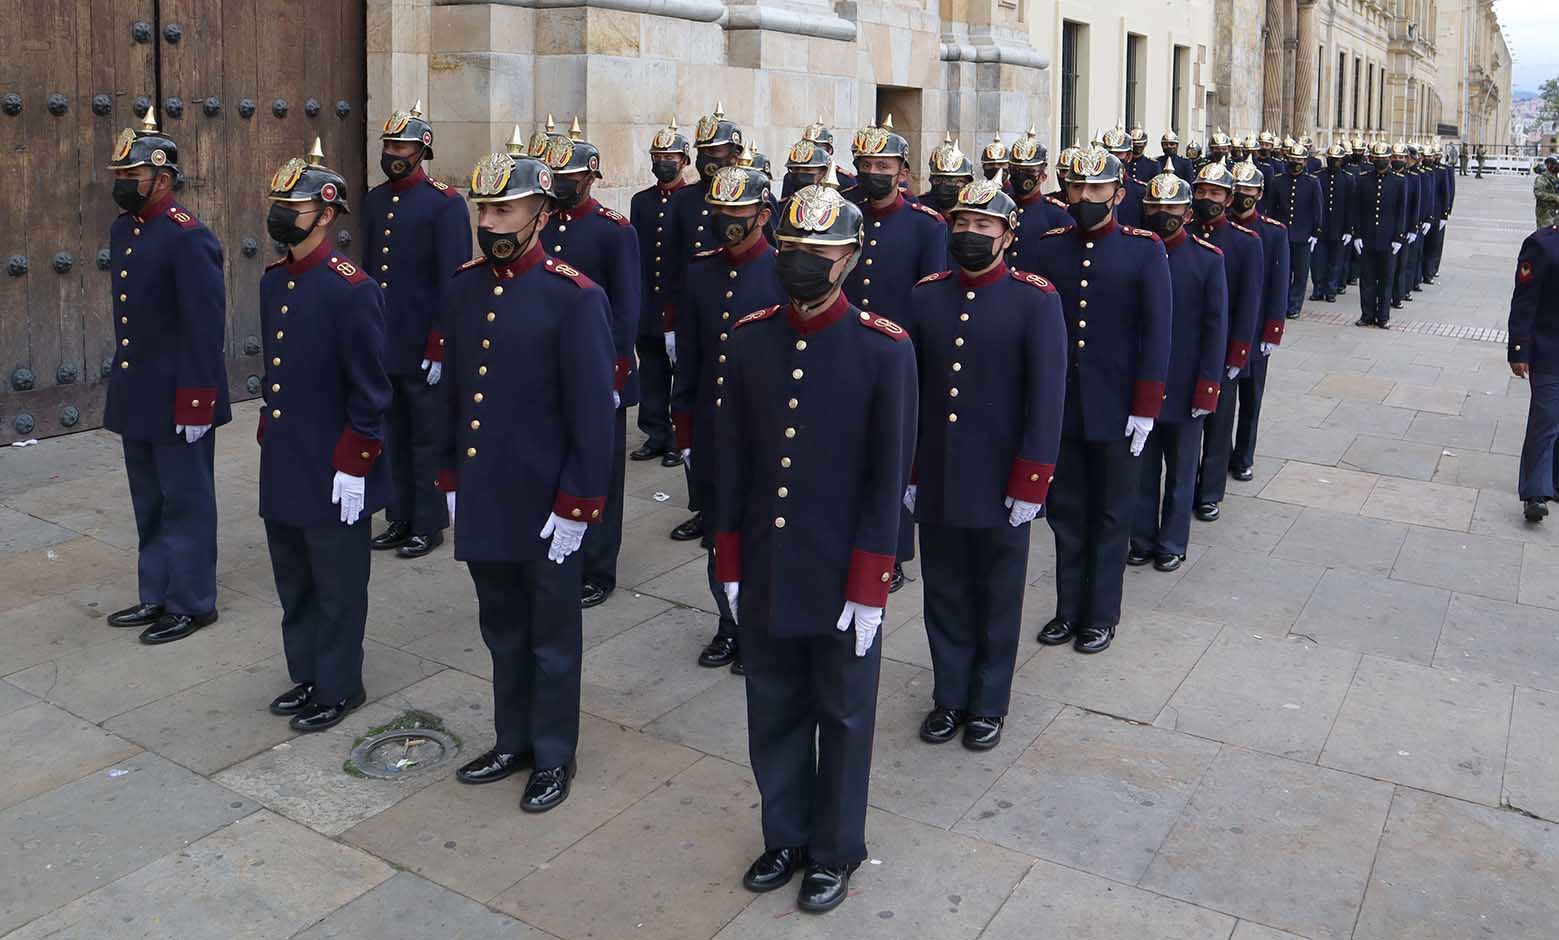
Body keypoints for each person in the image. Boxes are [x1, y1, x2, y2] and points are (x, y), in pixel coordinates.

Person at [716, 178, 916, 914]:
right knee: (771, 706)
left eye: (819, 251)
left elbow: (885, 475)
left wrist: (871, 579)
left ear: (851, 260)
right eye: (793, 247)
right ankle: (785, 835)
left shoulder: (882, 350)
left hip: (840, 570)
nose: (801, 261)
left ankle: (833, 849)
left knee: (842, 712)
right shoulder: (750, 338)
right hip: (768, 564)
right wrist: (728, 559)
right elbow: (730, 461)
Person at [437, 142, 616, 812]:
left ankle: (552, 754)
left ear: (540, 212)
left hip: (546, 502)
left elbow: (593, 415)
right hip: (487, 496)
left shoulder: (573, 297)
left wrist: (577, 505)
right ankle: (511, 740)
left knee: (551, 638)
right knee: (502, 628)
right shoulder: (464, 288)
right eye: (484, 208)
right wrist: (449, 477)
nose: (491, 222)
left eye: (505, 208)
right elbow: (453, 394)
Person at [903, 173, 1066, 749]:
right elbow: (913, 393)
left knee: (998, 592)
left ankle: (989, 701)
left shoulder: (1035, 299)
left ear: (1007, 234)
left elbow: (1046, 399)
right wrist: (913, 471)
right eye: (963, 223)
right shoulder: (926, 295)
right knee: (943, 588)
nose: (971, 233)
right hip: (942, 473)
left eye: (984, 225)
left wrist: (1032, 480)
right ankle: (949, 693)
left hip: (1002, 478)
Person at [258, 139, 392, 732]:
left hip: (335, 461)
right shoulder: (273, 281)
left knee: (337, 583)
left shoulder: (351, 288)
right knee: (294, 576)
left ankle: (340, 685)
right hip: (287, 454)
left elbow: (371, 389)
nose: (283, 213)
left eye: (296, 205)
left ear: (328, 213)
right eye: (278, 202)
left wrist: (356, 462)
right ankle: (307, 672)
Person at [1031, 146, 1171, 654]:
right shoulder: (1047, 248)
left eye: (1096, 189)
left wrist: (1146, 406)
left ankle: (1101, 614)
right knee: (1067, 511)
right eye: (1077, 188)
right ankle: (1068, 609)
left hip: (1118, 406)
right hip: (1064, 404)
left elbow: (1157, 333)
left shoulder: (1144, 248)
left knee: (1113, 513)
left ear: (1118, 192)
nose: (1085, 197)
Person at [102, 110, 230, 646]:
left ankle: (192, 601)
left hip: (182, 393)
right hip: (140, 391)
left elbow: (204, 327)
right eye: (121, 175)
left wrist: (198, 400)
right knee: (148, 500)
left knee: (186, 500)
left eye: (133, 177)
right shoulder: (124, 229)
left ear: (163, 178)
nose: (123, 185)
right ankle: (155, 591)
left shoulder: (189, 238)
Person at [670, 154, 782, 673]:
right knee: (720, 532)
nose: (724, 218)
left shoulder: (785, 270)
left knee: (766, 532)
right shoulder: (702, 270)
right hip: (716, 431)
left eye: (736, 209)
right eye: (718, 208)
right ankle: (728, 621)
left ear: (762, 213)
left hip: (770, 431)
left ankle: (763, 625)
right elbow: (690, 358)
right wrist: (686, 429)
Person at [539, 119, 643, 609]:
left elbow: (626, 308)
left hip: (600, 368)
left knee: (601, 470)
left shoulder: (613, 231)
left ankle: (599, 566)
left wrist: (618, 372)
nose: (561, 182)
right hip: (548, 367)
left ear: (589, 177)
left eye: (570, 175)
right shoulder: (542, 224)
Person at [845, 115, 948, 591]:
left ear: (903, 171)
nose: (874, 172)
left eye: (883, 163)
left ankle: (895, 548)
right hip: (844, 349)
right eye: (866, 163)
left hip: (898, 353)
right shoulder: (843, 211)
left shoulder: (926, 226)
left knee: (894, 454)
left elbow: (931, 297)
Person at [366, 101, 471, 561]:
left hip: (424, 341)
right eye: (388, 143)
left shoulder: (444, 204)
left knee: (425, 433)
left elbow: (454, 277)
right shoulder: (375, 199)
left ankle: (428, 522)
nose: (392, 152)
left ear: (422, 150)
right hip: (385, 338)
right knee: (390, 429)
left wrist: (440, 340)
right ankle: (398, 514)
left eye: (401, 145)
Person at [662, 104, 749, 544]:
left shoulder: (756, 194)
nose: (709, 158)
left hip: (743, 319)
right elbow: (674, 270)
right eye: (703, 150)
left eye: (718, 150)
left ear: (736, 153)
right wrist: (672, 326)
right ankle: (701, 506)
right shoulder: (682, 201)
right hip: (698, 315)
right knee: (695, 413)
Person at [1130, 174, 1227, 570]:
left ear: (1188, 214)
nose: (1161, 215)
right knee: (1142, 469)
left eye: (1171, 209)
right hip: (1141, 383)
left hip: (1186, 382)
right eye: (1154, 208)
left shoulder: (1207, 259)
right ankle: (1141, 538)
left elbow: (1214, 327)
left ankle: (1172, 541)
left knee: (1182, 469)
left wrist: (1208, 388)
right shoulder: (1135, 254)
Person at [1186, 160, 1263, 525]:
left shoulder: (1244, 242)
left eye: (1215, 193)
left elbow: (1249, 303)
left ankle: (1209, 492)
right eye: (1200, 192)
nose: (1206, 199)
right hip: (1187, 346)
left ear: (1229, 197)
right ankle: (1185, 488)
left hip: (1223, 346)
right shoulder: (1183, 234)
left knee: (1217, 425)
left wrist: (1239, 353)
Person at [629, 120, 691, 467]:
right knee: (651, 370)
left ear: (684, 161)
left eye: (669, 155)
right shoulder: (642, 201)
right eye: (657, 155)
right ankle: (655, 433)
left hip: (679, 303)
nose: (662, 161)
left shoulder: (691, 200)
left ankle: (677, 439)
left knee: (680, 375)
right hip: (648, 300)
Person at [1223, 158, 1288, 481]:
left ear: (1260, 193)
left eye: (1249, 189)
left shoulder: (1273, 233)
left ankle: (1244, 456)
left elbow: (1278, 283)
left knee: (1251, 398)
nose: (1243, 194)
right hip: (1228, 327)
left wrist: (1272, 331)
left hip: (1257, 325)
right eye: (1238, 188)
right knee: (1222, 404)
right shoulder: (1221, 229)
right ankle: (1220, 456)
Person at [1509, 216, 1559, 521]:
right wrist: (1519, 349)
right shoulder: (1541, 244)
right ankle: (1535, 492)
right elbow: (1524, 301)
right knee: (1547, 419)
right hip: (1549, 349)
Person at [1348, 141, 1409, 328]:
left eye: (1384, 158)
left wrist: (1399, 237)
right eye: (1377, 158)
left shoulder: (1399, 181)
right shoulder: (1363, 179)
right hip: (1367, 237)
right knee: (1366, 279)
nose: (1380, 161)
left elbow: (1402, 211)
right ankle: (1367, 315)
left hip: (1388, 239)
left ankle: (1383, 316)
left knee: (1385, 279)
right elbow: (1356, 209)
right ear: (1372, 159)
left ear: (1389, 159)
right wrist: (1356, 234)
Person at [1006, 128, 1071, 273]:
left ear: (1043, 176)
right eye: (1016, 171)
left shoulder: (1057, 215)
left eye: (1029, 172)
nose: (1021, 176)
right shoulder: (1000, 207)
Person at [1269, 139, 1322, 318]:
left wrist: (1316, 232)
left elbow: (1317, 209)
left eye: (1299, 160)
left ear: (1305, 162)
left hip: (1303, 235)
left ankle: (1294, 306)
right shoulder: (1277, 181)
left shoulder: (1312, 182)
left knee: (1300, 275)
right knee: (1283, 272)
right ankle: (1281, 304)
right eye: (1292, 159)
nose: (1296, 163)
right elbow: (1271, 208)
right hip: (1283, 234)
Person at [1311, 144, 1353, 303]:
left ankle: (1331, 290)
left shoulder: (1348, 179)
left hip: (1339, 226)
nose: (1333, 162)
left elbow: (1351, 206)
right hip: (1321, 226)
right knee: (1318, 261)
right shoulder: (1318, 177)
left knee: (1335, 262)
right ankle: (1318, 289)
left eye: (1336, 160)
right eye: (1331, 159)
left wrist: (1349, 229)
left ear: (1342, 161)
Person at [920, 133, 975, 216]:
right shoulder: (920, 207)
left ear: (967, 183)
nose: (943, 185)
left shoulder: (974, 211)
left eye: (951, 181)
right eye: (938, 179)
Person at [1422, 146, 1454, 283]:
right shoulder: (1423, 171)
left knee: (1435, 244)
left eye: (1434, 155)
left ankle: (1430, 271)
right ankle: (1422, 271)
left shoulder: (1443, 171)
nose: (1432, 158)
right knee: (1423, 245)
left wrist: (1445, 214)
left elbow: (1448, 192)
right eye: (1429, 155)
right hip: (1425, 213)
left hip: (1437, 212)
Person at [1101, 127, 1145, 226]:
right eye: (1109, 153)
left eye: (1118, 153)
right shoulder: (1091, 188)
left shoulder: (1141, 192)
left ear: (1129, 156)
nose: (1113, 158)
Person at [799, 117, 856, 192]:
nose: (813, 153)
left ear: (829, 151)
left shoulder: (845, 180)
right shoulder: (792, 177)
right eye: (808, 148)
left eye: (819, 149)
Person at [1534, 155, 1558, 229]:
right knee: (1545, 236)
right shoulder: (1541, 179)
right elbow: (1538, 193)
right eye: (1556, 165)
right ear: (1550, 165)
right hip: (1545, 214)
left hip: (1556, 213)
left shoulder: (1556, 178)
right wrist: (1555, 198)